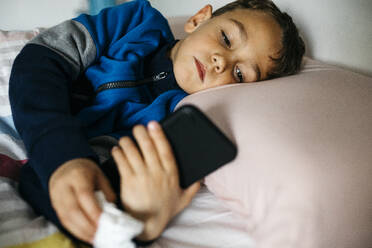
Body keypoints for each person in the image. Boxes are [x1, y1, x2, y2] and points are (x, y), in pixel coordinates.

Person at [9, 0, 305, 245]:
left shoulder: (186, 122)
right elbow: (41, 59)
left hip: (91, 159)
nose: (220, 62)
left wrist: (144, 221)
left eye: (240, 74)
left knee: (58, 189)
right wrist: (64, 156)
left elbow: (134, 181)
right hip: (51, 124)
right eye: (226, 39)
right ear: (199, 19)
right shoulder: (138, 20)